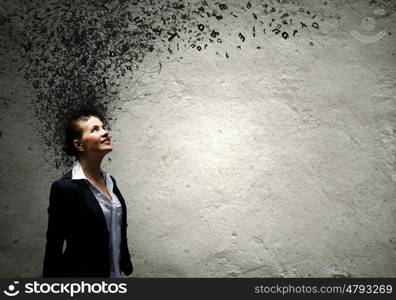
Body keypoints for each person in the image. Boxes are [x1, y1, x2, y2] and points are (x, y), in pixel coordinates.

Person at [43, 113, 133, 277]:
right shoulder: (65, 188)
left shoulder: (109, 181)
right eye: (95, 129)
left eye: (104, 128)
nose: (105, 132)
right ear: (79, 144)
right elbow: (54, 246)